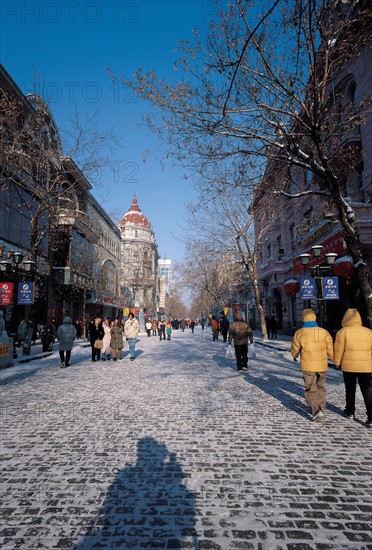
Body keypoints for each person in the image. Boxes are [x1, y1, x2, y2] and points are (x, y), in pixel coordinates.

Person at [291, 309, 334, 421]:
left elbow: (295, 348)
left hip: (308, 366)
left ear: (303, 318)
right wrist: (336, 360)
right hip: (322, 366)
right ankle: (322, 409)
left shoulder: (299, 333)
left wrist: (294, 355)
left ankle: (316, 410)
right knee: (321, 387)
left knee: (311, 388)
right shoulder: (324, 332)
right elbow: (330, 349)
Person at [333, 308, 372, 427]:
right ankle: (370, 416)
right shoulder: (368, 332)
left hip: (349, 366)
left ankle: (350, 411)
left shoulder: (342, 332)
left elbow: (339, 350)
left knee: (350, 389)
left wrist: (337, 362)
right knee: (368, 391)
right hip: (366, 366)